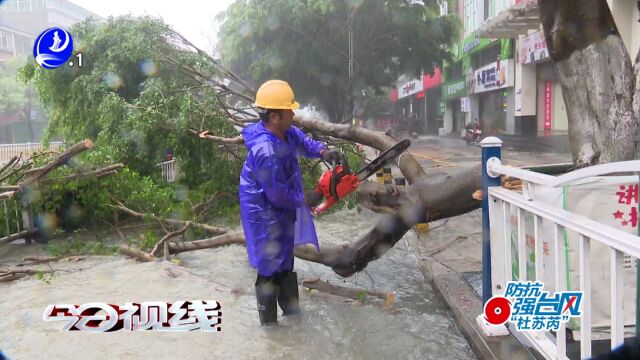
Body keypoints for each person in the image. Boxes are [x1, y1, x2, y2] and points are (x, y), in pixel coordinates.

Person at [239, 79, 340, 325]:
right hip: (262, 211)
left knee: (285, 257)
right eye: (289, 110)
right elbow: (278, 194)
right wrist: (308, 197)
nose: (293, 113)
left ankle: (293, 317)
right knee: (268, 266)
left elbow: (303, 141)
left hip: (280, 207)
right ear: (274, 116)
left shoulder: (284, 131)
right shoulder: (265, 150)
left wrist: (322, 151)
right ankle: (270, 328)